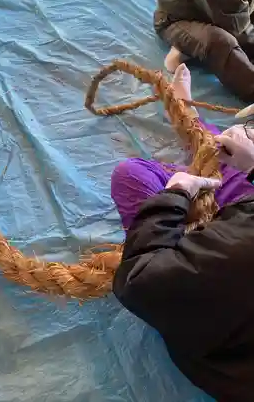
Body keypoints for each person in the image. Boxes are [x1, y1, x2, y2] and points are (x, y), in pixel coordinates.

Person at [111, 63, 254, 402]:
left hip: (222, 353)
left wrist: (175, 196)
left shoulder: (240, 249)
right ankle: (189, 117)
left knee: (130, 174)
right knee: (222, 154)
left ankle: (189, 121)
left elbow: (140, 283)